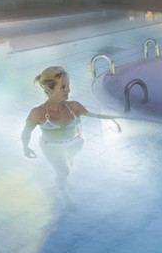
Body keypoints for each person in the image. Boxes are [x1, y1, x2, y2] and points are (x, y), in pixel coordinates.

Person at [21, 66, 121, 194]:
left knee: (69, 163)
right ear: (48, 89)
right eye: (62, 87)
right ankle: (65, 195)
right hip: (52, 147)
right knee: (64, 171)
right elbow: (26, 132)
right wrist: (26, 148)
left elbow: (95, 115)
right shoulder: (37, 113)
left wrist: (121, 116)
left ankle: (65, 178)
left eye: (68, 85)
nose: (68, 90)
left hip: (75, 144)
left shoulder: (74, 106)